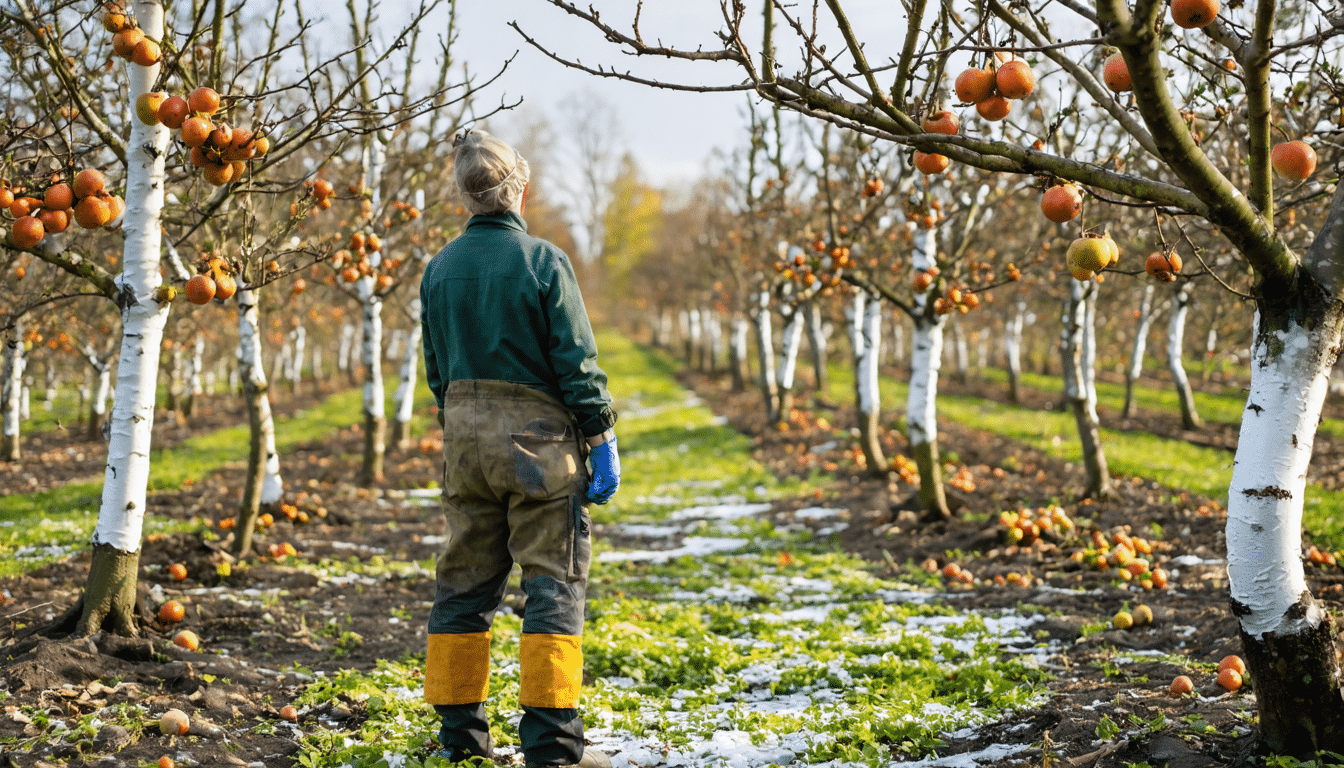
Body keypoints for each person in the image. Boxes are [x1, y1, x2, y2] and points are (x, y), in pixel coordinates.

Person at [419, 129, 620, 768]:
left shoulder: (438, 269)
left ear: (465, 196)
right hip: (538, 448)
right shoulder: (542, 261)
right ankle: (553, 749)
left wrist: (466, 423)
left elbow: (436, 369)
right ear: (520, 190)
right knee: (552, 585)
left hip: (465, 443)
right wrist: (601, 434)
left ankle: (461, 745)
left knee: (462, 587)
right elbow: (575, 361)